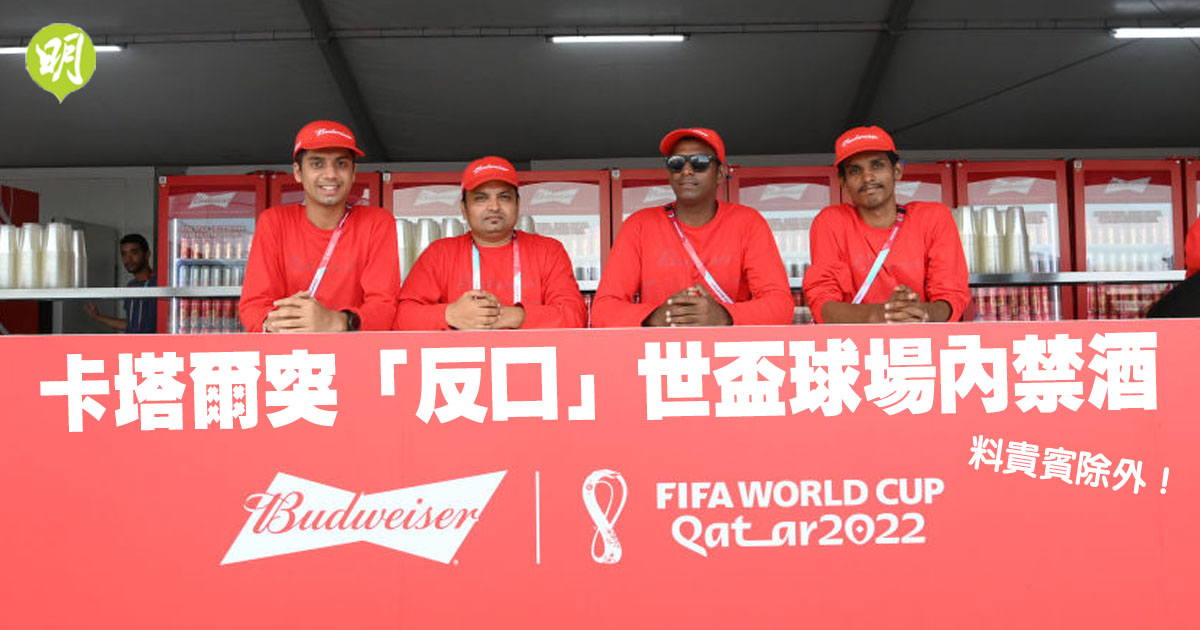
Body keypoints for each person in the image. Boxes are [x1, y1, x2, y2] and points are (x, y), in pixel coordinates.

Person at [591, 127, 793, 327]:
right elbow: (603, 310)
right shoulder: (639, 225)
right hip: (660, 347)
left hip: (727, 347)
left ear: (720, 173)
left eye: (699, 162)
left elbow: (781, 306)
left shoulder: (748, 222)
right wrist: (654, 317)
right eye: (676, 163)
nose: (686, 171)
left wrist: (724, 316)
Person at [239, 120, 399, 332]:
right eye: (317, 164)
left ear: (353, 172)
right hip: (290, 350)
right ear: (298, 172)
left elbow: (384, 308)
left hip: (357, 350)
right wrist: (278, 323)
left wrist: (336, 321)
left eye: (341, 164)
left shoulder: (377, 222)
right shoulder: (274, 222)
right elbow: (253, 307)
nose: (330, 174)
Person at [394, 156, 587, 330]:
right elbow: (402, 318)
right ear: (464, 209)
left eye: (504, 197)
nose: (494, 206)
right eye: (481, 198)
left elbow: (575, 316)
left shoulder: (547, 251)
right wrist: (450, 315)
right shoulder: (440, 253)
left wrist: (511, 316)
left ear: (518, 205)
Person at [802, 125, 969, 324]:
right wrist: (881, 314)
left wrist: (922, 312)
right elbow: (822, 303)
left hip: (923, 340)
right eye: (855, 170)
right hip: (853, 342)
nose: (867, 177)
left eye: (877, 165)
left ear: (897, 171)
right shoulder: (831, 222)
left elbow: (952, 294)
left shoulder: (933, 217)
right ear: (843, 182)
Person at [85, 233, 157, 333]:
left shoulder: (157, 284)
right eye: (124, 254)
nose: (128, 259)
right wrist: (98, 316)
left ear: (147, 254)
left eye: (134, 253)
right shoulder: (131, 286)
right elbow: (130, 325)